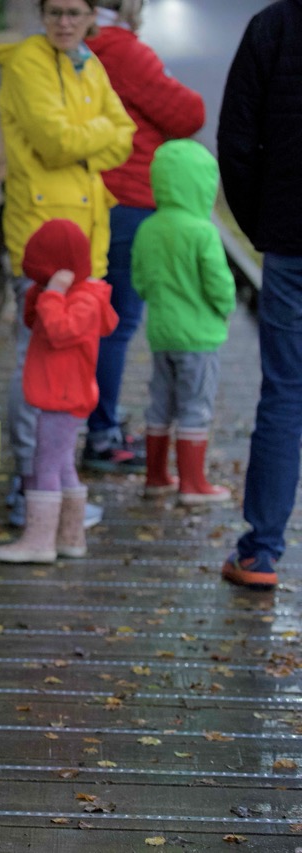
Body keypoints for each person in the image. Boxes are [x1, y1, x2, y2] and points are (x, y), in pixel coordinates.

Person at [0, 0, 135, 528]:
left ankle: (49, 483)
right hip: (43, 241)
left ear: (92, 15)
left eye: (75, 12)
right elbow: (54, 144)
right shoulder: (29, 61)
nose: (64, 22)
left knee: (69, 367)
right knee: (36, 363)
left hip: (85, 239)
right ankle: (29, 486)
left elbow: (126, 135)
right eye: (54, 11)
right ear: (42, 13)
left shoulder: (86, 61)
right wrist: (93, 139)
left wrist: (85, 143)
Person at [82, 0, 205, 473]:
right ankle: (102, 435)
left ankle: (94, 423)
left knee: (94, 313)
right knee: (116, 321)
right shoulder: (125, 50)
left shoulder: (79, 47)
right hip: (129, 199)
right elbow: (188, 113)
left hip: (90, 196)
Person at [217, 0, 302, 592]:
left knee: (286, 395)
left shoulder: (272, 26)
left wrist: (260, 225)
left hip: (291, 242)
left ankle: (261, 554)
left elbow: (237, 140)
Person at [0, 219, 118, 563]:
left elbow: (59, 331)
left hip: (64, 397)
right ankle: (70, 538)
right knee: (62, 465)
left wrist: (52, 294)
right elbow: (34, 321)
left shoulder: (84, 301)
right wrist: (43, 291)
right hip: (59, 394)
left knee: (45, 465)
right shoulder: (69, 295)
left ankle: (39, 543)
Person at [131, 139, 235, 505]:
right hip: (198, 337)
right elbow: (218, 283)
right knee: (195, 406)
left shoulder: (148, 228)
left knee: (160, 404)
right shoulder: (202, 231)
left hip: (161, 334)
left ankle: (156, 477)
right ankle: (193, 484)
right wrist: (224, 307)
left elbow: (140, 280)